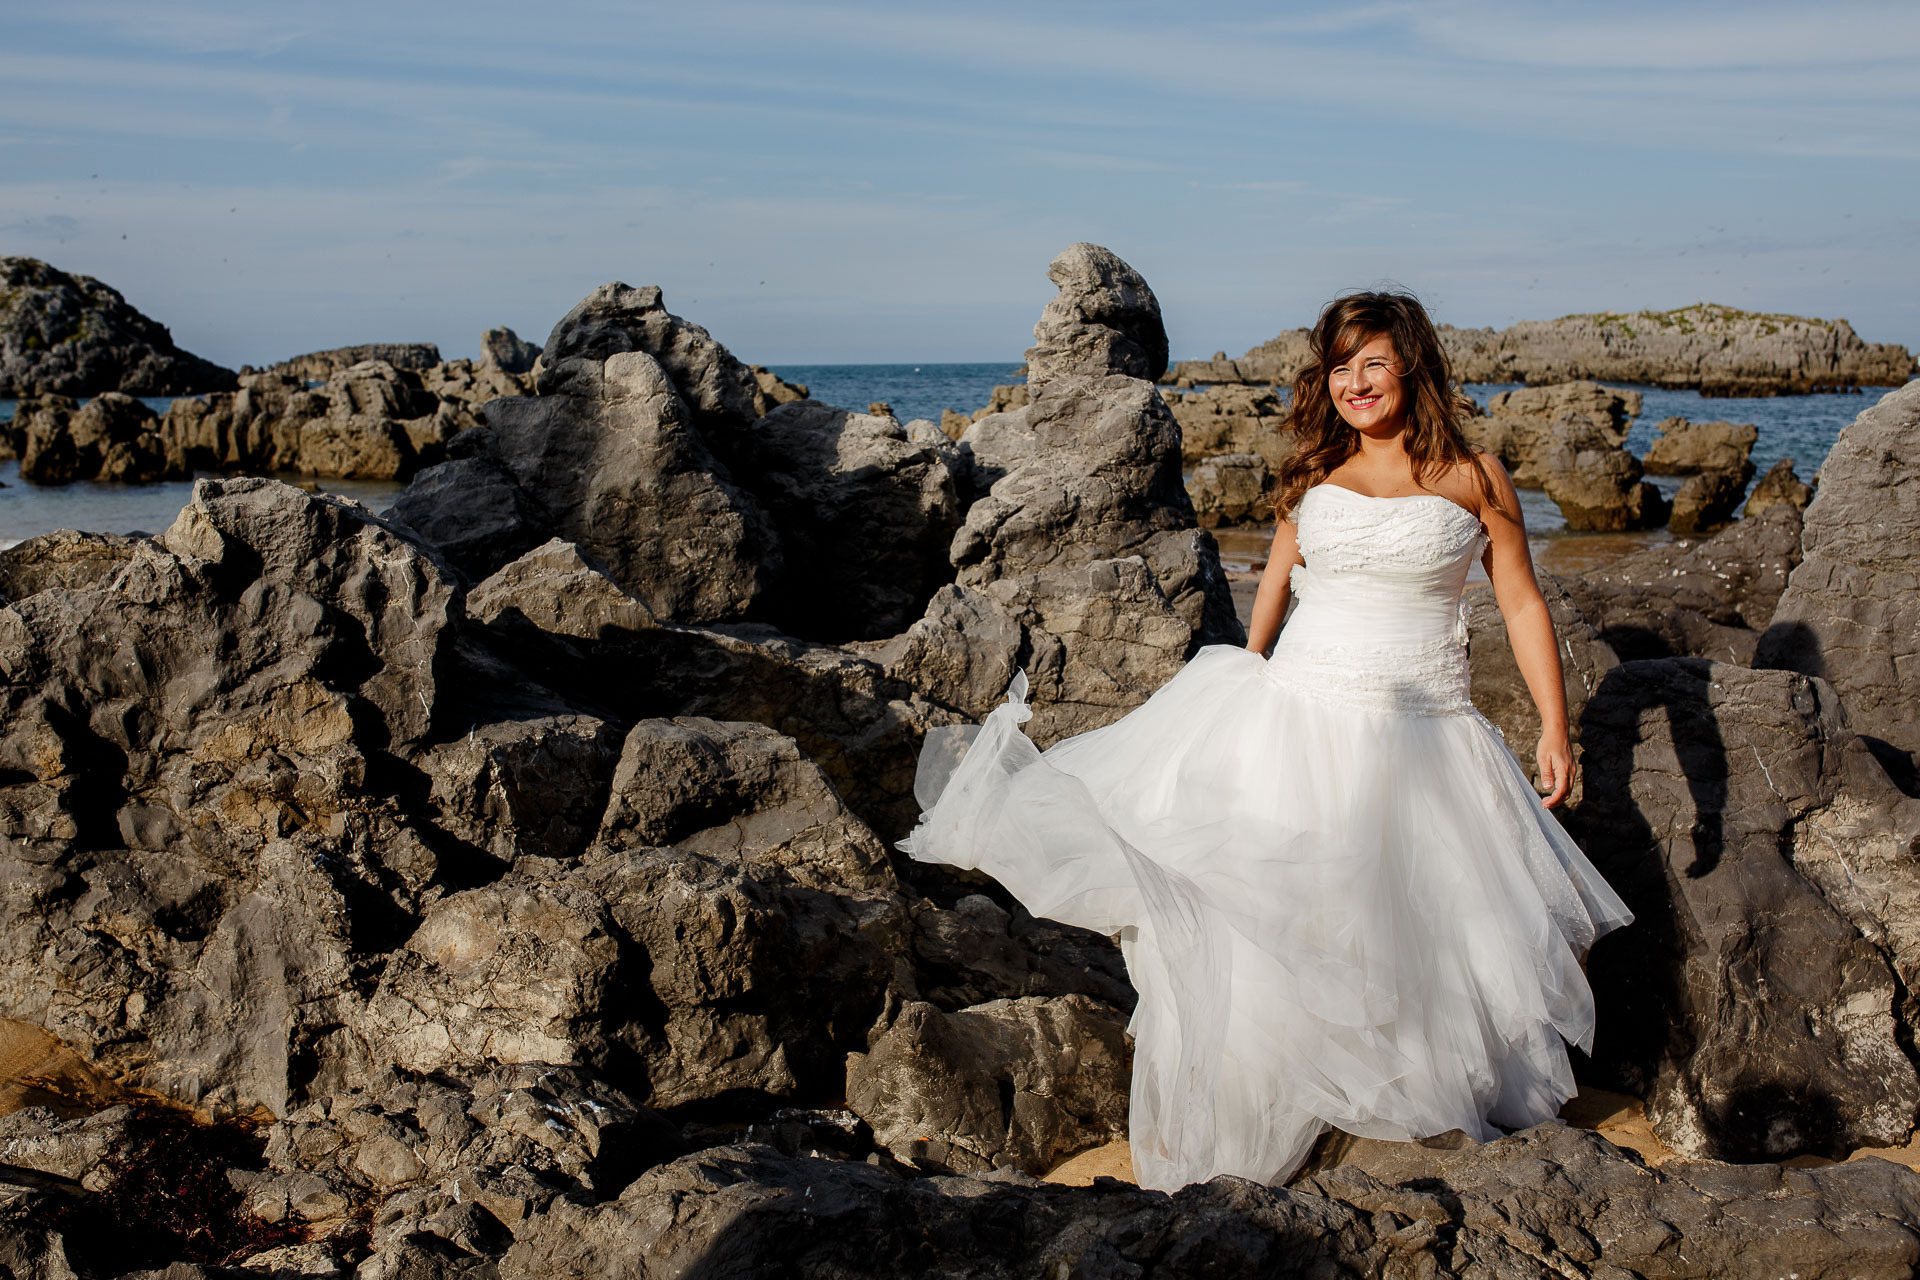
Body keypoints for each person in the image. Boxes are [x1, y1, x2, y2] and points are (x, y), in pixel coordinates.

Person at [898, 288, 1633, 1193]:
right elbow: (1279, 577)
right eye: (1340, 367)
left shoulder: (1475, 476)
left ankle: (1410, 1089)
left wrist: (1557, 728)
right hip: (1299, 711)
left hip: (1427, 733)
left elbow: (1520, 602)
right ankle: (1291, 1093)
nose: (1356, 383)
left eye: (1373, 362)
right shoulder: (1314, 475)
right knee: (1277, 908)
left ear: (1412, 366)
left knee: (1424, 917)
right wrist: (1246, 668)